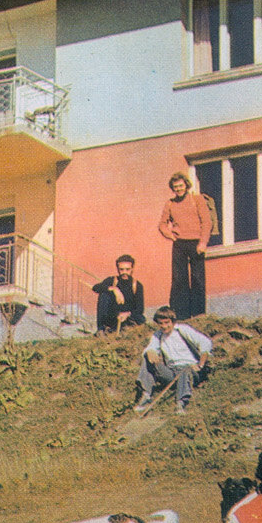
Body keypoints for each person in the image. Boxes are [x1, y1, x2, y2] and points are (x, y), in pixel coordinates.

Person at [134, 306, 211, 415]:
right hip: (171, 372)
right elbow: (150, 347)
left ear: (173, 321)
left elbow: (205, 342)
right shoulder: (158, 335)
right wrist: (150, 351)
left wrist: (200, 364)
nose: (164, 326)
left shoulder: (182, 330)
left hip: (190, 369)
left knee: (185, 370)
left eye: (167, 322)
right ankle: (146, 396)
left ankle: (181, 403)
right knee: (147, 358)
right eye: (161, 323)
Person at [157, 172, 212, 319]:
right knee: (179, 279)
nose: (179, 189)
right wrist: (171, 236)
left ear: (186, 185)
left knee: (197, 278)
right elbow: (162, 224)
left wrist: (203, 242)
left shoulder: (197, 199)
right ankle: (182, 315)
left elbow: (207, 222)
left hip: (196, 243)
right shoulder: (170, 204)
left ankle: (199, 315)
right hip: (180, 244)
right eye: (175, 187)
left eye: (181, 186)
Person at [92, 254, 145, 334]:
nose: (124, 272)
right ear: (117, 269)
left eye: (127, 269)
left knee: (140, 318)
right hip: (113, 316)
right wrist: (114, 289)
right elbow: (95, 287)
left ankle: (127, 329)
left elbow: (140, 308)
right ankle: (101, 329)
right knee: (104, 295)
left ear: (132, 269)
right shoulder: (112, 280)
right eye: (121, 269)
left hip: (128, 316)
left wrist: (127, 314)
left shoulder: (137, 285)